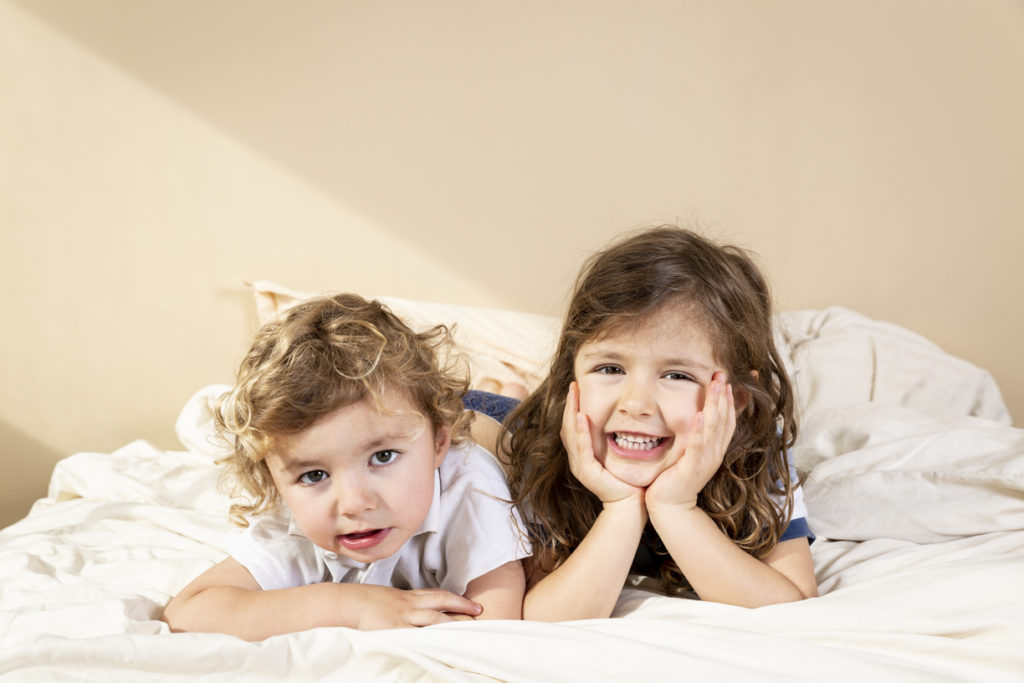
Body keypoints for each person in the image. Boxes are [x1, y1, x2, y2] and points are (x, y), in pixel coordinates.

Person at [162, 293, 529, 640]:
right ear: (275, 480)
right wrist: (349, 606)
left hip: (495, 429)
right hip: (414, 419)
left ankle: (511, 393)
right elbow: (188, 613)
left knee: (516, 428)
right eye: (314, 474)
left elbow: (495, 616)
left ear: (438, 444)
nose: (353, 503)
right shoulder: (295, 512)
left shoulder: (470, 484)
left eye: (382, 457)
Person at [500, 226, 818, 621]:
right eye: (610, 367)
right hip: (505, 419)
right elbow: (542, 615)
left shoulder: (755, 447)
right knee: (490, 422)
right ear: (572, 378)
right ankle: (508, 391)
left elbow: (794, 603)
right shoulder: (545, 444)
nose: (636, 404)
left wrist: (675, 507)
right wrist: (620, 507)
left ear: (735, 400)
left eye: (677, 376)